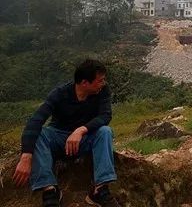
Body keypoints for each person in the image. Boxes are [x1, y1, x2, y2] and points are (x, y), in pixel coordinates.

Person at [12, 59, 120, 207]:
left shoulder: (102, 91)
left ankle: (99, 189)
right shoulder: (60, 94)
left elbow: (105, 116)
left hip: (85, 138)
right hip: (59, 137)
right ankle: (50, 190)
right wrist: (26, 155)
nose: (103, 83)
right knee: (40, 133)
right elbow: (36, 120)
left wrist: (81, 130)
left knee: (105, 131)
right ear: (84, 83)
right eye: (99, 80)